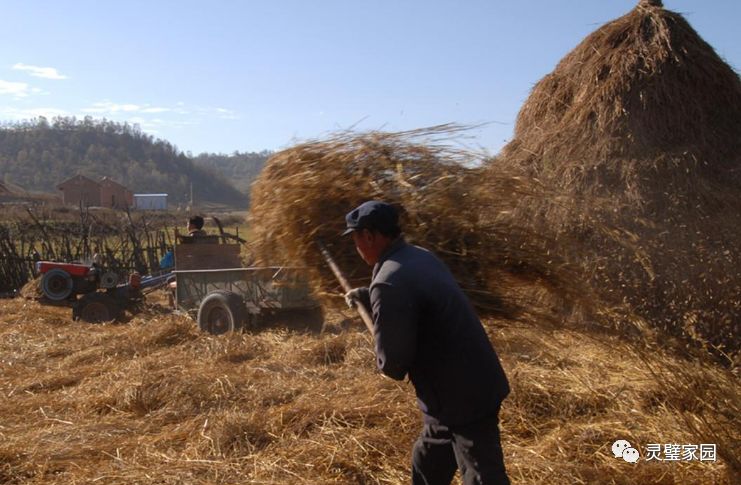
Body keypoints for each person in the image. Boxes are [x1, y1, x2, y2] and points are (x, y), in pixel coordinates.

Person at [343, 200, 510, 485]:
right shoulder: (418, 256)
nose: (356, 246)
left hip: (461, 397)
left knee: (482, 476)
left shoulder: (389, 281)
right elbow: (415, 303)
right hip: (461, 387)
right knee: (427, 463)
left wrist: (381, 332)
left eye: (356, 238)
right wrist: (369, 298)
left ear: (370, 235)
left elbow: (393, 365)